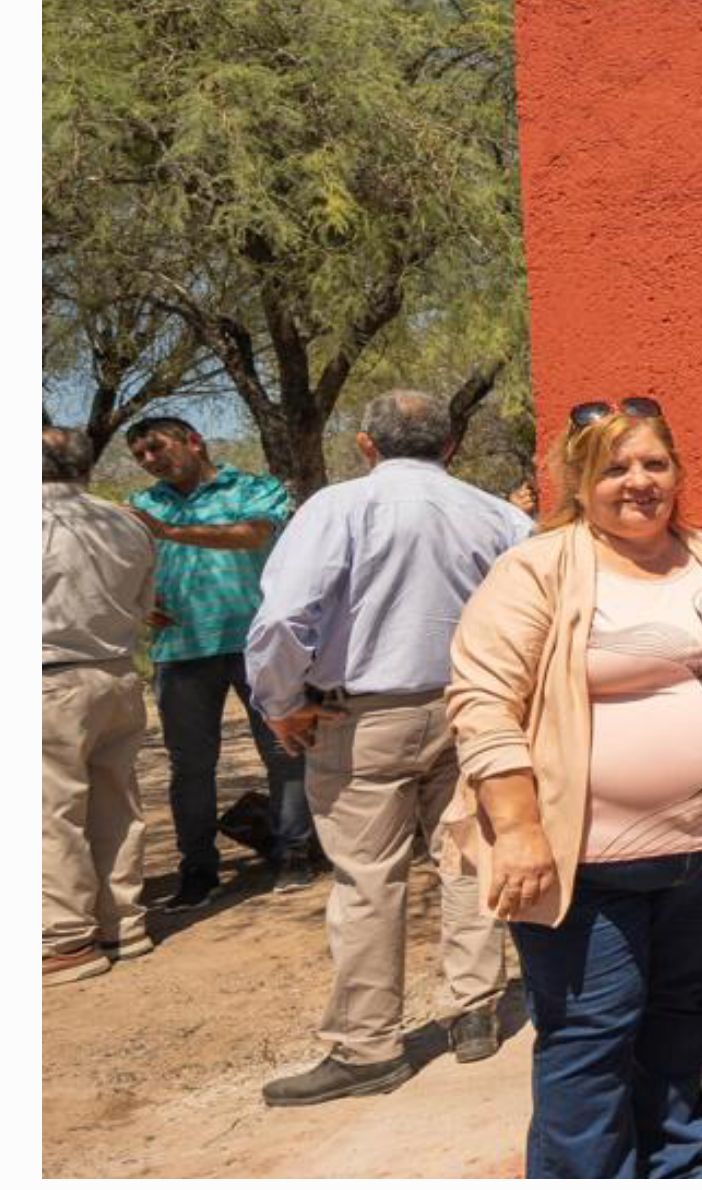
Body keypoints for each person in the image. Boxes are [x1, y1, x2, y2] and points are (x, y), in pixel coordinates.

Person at [445, 403, 702, 1178]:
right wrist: (518, 829)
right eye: (616, 469)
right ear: (580, 482)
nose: (639, 482)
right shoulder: (539, 568)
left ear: (678, 474)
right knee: (590, 1032)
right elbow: (482, 699)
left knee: (679, 1013)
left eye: (655, 465)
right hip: (583, 859)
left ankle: (676, 1171)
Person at [241, 390, 531, 1108]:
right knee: (468, 856)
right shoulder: (499, 515)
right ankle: (476, 1010)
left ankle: (368, 1045)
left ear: (368, 445)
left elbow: (282, 617)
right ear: (451, 446)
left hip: (360, 717)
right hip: (474, 707)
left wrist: (280, 704)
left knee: (368, 876)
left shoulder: (337, 509)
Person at [124, 413, 309, 904]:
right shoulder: (140, 505)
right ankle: (198, 872)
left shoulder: (253, 487)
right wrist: (137, 602)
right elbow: (123, 564)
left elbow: (253, 534)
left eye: (156, 448)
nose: (149, 461)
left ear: (194, 441)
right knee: (190, 766)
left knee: (284, 751)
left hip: (258, 644)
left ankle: (294, 853)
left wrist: (167, 531)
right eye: (139, 456)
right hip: (180, 651)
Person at [41, 426, 158, 988]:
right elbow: (145, 605)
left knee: (49, 813)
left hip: (48, 678)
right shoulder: (126, 522)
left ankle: (64, 940)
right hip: (115, 675)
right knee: (115, 800)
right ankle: (123, 922)